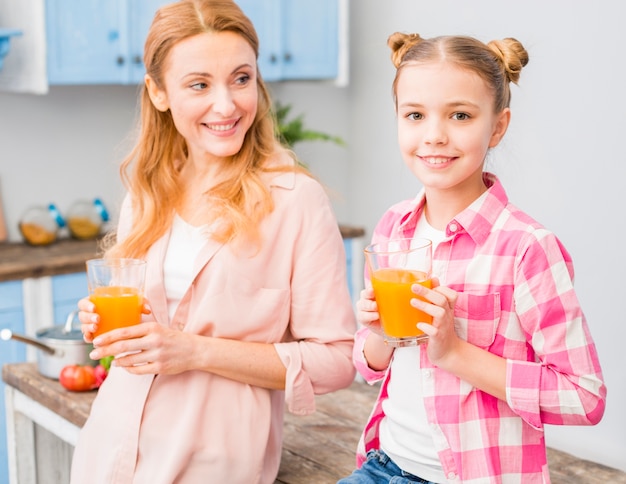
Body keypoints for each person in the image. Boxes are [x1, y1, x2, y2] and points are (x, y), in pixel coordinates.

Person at [69, 1, 356, 483]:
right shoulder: (147, 193)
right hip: (110, 452)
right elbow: (147, 330)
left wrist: (196, 351)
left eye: (241, 79)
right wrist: (103, 324)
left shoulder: (294, 200)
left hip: (212, 466)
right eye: (199, 84)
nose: (226, 105)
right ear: (159, 93)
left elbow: (337, 360)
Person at [339, 32, 606, 484]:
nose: (435, 135)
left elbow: (584, 397)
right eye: (415, 115)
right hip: (383, 466)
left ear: (498, 126)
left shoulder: (526, 248)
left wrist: (455, 352)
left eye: (460, 115)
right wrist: (380, 334)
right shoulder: (394, 228)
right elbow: (367, 363)